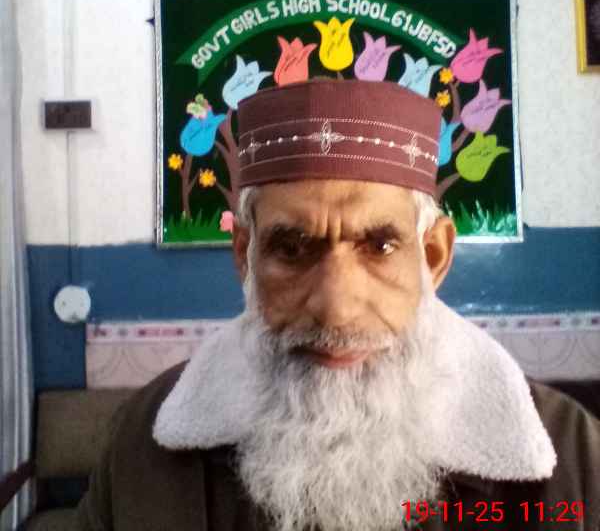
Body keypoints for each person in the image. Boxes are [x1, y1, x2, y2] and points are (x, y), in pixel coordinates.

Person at [76, 79, 600, 531]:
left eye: (381, 246)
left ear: (433, 257)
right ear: (245, 256)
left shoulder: (570, 458)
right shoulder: (143, 445)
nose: (336, 309)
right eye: (291, 248)